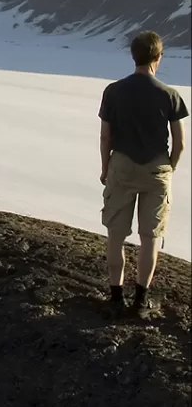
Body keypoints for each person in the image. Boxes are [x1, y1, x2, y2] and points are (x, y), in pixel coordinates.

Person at [99, 30, 187, 317]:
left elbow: (105, 137)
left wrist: (105, 168)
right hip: (156, 168)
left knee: (116, 233)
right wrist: (169, 167)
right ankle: (140, 300)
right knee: (149, 236)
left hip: (122, 165)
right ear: (158, 57)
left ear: (133, 55)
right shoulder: (170, 95)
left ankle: (115, 295)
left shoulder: (113, 91)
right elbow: (180, 142)